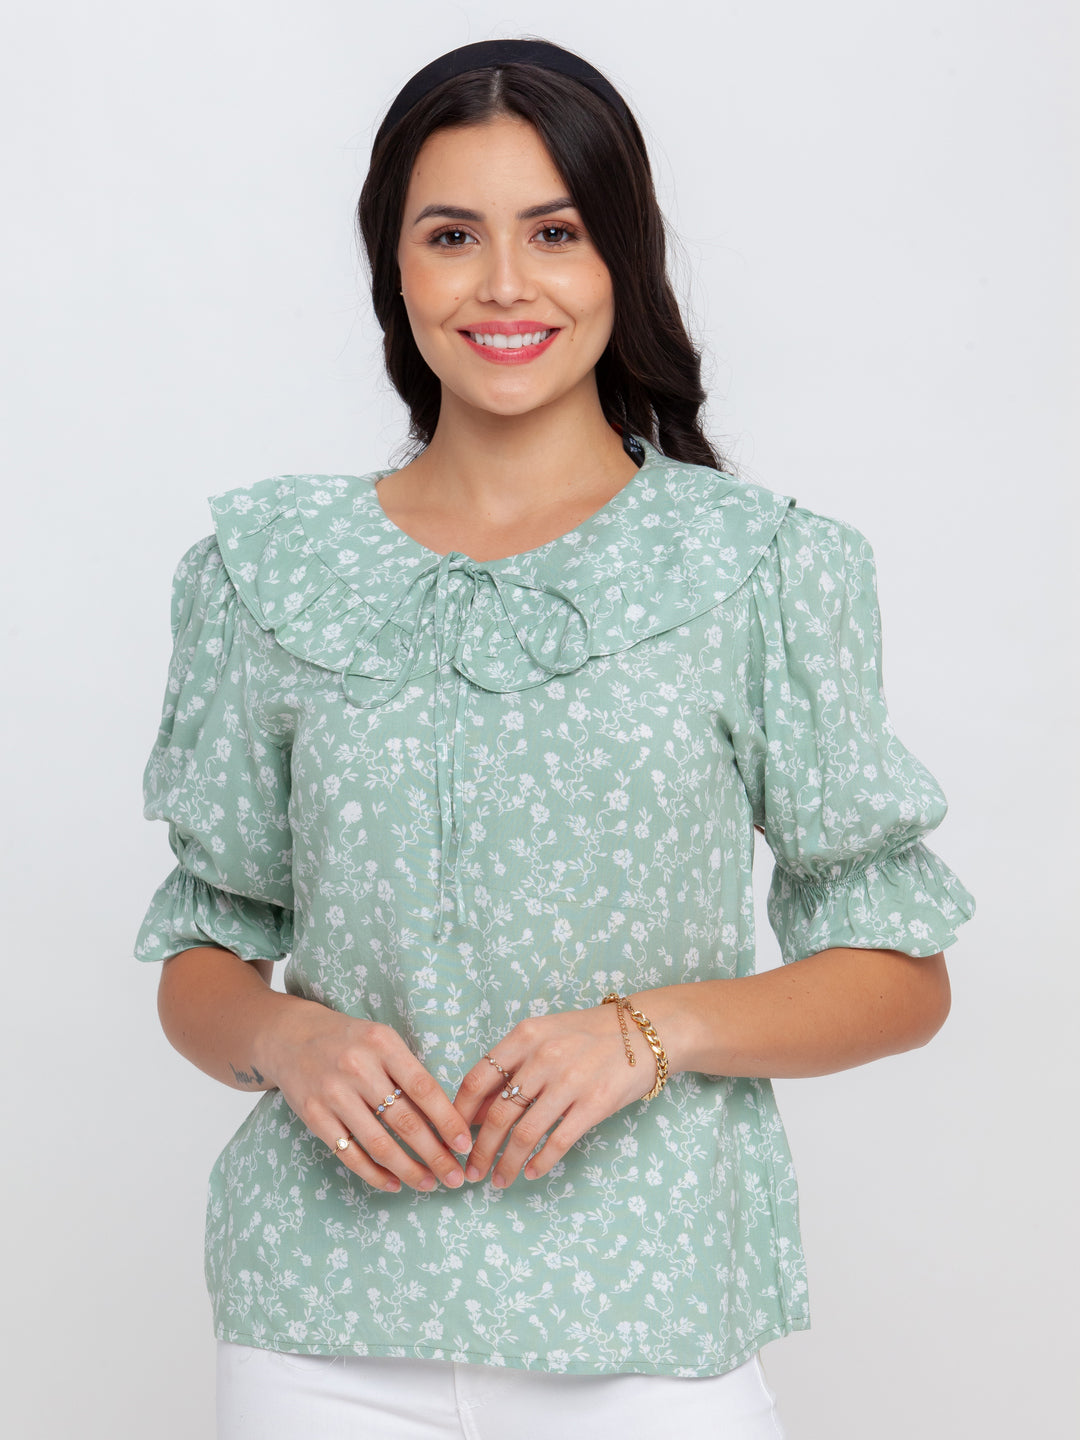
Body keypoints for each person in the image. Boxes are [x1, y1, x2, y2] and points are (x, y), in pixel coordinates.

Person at [136, 38, 975, 1439]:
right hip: (319, 1329)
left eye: (556, 232)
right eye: (452, 235)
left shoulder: (762, 566)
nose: (504, 285)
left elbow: (903, 975)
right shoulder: (265, 570)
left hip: (650, 1325)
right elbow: (203, 954)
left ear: (622, 257)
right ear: (394, 265)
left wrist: (655, 1031)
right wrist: (285, 1036)